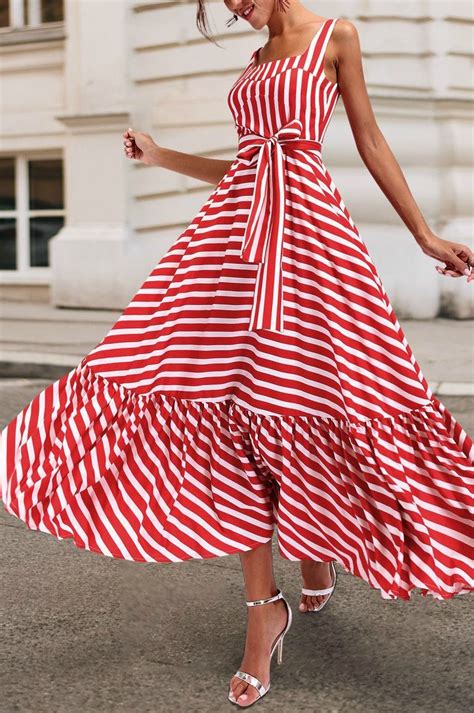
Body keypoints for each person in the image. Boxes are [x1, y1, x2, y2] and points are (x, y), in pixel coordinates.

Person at [1, 1, 473, 709]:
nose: (232, 7)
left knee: (310, 403)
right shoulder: (254, 61)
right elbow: (244, 170)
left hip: (311, 248)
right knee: (229, 414)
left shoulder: (334, 35)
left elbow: (370, 140)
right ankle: (264, 611)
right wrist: (160, 157)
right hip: (229, 254)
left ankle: (318, 548)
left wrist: (425, 235)